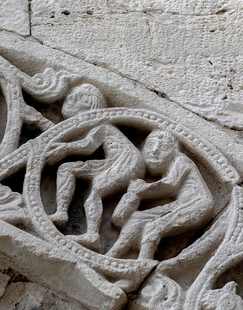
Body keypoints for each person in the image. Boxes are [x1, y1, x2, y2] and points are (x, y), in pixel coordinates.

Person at [48, 83, 144, 250]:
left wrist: (64, 148)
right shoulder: (96, 125)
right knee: (67, 169)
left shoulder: (101, 124)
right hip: (111, 162)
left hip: (126, 162)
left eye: (73, 99)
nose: (68, 103)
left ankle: (92, 236)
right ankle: (61, 213)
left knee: (95, 193)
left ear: (86, 102)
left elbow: (88, 146)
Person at [107, 129, 214, 260]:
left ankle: (143, 263)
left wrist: (142, 189)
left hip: (198, 204)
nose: (155, 150)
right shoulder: (166, 169)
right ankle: (111, 255)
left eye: (163, 147)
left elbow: (169, 185)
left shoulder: (181, 161)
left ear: (174, 151)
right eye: (150, 145)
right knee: (136, 218)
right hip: (180, 204)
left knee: (154, 227)